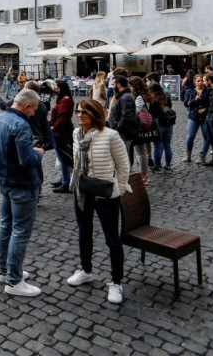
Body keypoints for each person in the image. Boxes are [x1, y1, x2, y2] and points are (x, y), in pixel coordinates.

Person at [65, 98, 131, 304]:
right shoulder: (77, 134)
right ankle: (86, 270)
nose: (80, 115)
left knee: (112, 238)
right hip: (83, 191)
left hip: (105, 193)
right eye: (78, 111)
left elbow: (124, 165)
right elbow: (77, 162)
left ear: (96, 114)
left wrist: (117, 188)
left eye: (85, 112)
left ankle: (116, 282)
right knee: (84, 232)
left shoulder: (110, 135)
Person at [0, 89, 45, 297]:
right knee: (20, 231)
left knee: (5, 225)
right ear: (26, 106)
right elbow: (27, 160)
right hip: (22, 183)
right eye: (34, 110)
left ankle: (4, 271)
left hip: (4, 180)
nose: (34, 114)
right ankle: (14, 281)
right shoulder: (21, 125)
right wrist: (38, 152)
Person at [50, 81, 74, 192]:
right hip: (61, 131)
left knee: (63, 157)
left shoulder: (65, 101)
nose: (54, 87)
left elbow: (62, 118)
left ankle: (66, 182)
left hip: (62, 132)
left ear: (59, 88)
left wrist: (54, 127)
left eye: (55, 86)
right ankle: (64, 178)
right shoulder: (64, 99)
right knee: (62, 157)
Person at [127, 77, 152, 184]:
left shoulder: (139, 98)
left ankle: (144, 175)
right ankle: (143, 174)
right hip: (143, 127)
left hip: (139, 127)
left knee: (141, 152)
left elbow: (136, 112)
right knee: (141, 152)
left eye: (131, 86)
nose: (129, 88)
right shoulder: (145, 95)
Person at [183, 74, 211, 164]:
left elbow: (211, 104)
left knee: (206, 137)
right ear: (195, 82)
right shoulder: (190, 91)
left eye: (202, 81)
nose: (200, 83)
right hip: (193, 116)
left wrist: (206, 109)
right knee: (190, 136)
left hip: (205, 116)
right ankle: (188, 155)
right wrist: (195, 100)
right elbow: (186, 103)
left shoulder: (208, 91)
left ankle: (202, 156)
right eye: (198, 81)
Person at [148, 82, 174, 172]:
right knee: (167, 145)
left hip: (158, 123)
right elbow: (170, 107)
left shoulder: (152, 100)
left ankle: (157, 166)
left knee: (157, 145)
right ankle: (167, 165)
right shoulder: (166, 97)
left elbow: (151, 113)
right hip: (169, 123)